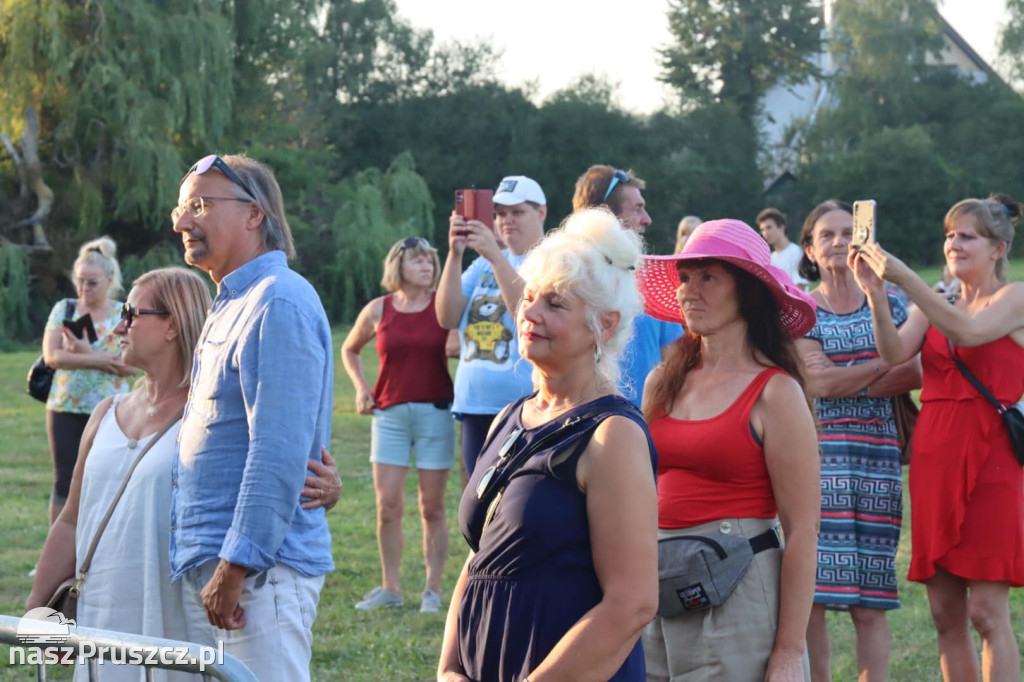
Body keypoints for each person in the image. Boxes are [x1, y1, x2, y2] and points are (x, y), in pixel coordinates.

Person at [26, 267, 340, 681]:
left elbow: (274, 472)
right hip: (104, 613)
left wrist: (326, 490)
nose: (118, 325)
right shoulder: (104, 415)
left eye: (131, 313)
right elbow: (71, 519)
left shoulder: (215, 420)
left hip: (178, 621)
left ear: (172, 324)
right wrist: (37, 609)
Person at [437, 208, 658, 682]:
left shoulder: (610, 434)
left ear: (603, 325)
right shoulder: (509, 418)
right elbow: (481, 557)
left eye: (555, 304)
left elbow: (633, 604)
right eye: (530, 297)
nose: (529, 313)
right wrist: (450, 668)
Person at [170, 153, 335, 682]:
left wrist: (236, 566)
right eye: (180, 208)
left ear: (254, 214)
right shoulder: (235, 300)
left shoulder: (276, 302)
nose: (181, 222)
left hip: (257, 578)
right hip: (234, 576)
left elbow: (276, 450)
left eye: (198, 205)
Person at [637, 218, 820, 682]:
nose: (688, 291)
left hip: (740, 593)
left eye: (709, 277)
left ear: (748, 292)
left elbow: (802, 532)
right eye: (685, 277)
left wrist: (787, 652)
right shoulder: (662, 382)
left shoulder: (775, 392)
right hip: (657, 586)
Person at [851, 194, 1024, 682]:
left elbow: (968, 334)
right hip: (935, 455)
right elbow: (892, 353)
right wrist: (877, 294)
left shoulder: (1014, 299)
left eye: (967, 235)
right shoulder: (940, 300)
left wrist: (907, 280)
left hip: (991, 457)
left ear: (998, 247)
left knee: (986, 613)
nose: (954, 243)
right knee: (945, 614)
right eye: (949, 234)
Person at [794, 200, 922, 681]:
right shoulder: (802, 309)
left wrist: (848, 375)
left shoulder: (890, 302)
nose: (840, 240)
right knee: (811, 599)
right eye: (826, 234)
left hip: (877, 461)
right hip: (819, 460)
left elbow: (915, 370)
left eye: (849, 231)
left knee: (870, 602)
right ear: (809, 248)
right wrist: (883, 367)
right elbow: (818, 384)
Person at [342, 237, 456, 613]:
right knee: (387, 505)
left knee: (431, 507)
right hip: (388, 416)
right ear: (398, 267)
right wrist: (361, 389)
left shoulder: (446, 306)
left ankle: (433, 592)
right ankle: (390, 589)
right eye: (418, 261)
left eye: (430, 260)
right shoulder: (379, 309)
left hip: (435, 413)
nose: (427, 266)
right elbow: (349, 348)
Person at [436, 175, 545, 476]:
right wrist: (454, 253)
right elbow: (446, 317)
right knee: (478, 506)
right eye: (500, 214)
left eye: (517, 212)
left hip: (524, 404)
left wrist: (496, 256)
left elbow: (526, 313)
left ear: (542, 213)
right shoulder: (483, 263)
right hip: (476, 404)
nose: (506, 221)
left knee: (515, 502)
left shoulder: (551, 261)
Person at [572, 165, 682, 407]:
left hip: (643, 428)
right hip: (577, 425)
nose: (647, 219)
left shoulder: (654, 280)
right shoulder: (561, 283)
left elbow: (675, 363)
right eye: (638, 209)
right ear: (606, 217)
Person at [40, 237, 133, 525]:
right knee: (64, 480)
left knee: (107, 478)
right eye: (79, 281)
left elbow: (131, 365)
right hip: (65, 406)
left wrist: (82, 352)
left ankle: (97, 547)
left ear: (109, 279)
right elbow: (52, 356)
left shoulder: (123, 313)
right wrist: (102, 359)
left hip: (111, 409)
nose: (84, 288)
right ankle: (55, 551)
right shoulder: (65, 309)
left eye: (92, 282)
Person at [759, 208, 809, 291]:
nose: (765, 233)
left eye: (769, 227)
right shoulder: (770, 258)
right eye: (762, 229)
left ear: (782, 228)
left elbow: (800, 288)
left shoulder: (797, 252)